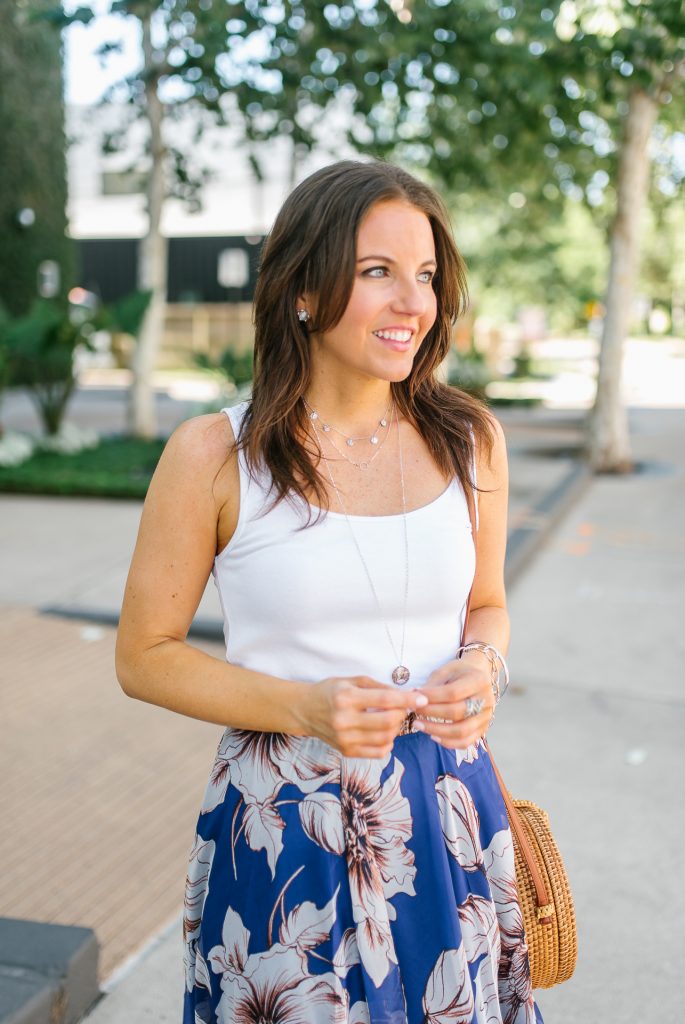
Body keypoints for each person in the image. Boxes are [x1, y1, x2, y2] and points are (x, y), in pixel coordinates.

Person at [115, 160, 544, 1024]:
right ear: (304, 290)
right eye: (376, 272)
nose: (411, 303)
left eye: (423, 276)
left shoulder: (470, 442)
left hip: (444, 811)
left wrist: (483, 663)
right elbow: (142, 658)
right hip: (283, 829)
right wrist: (303, 707)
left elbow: (486, 603)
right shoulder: (215, 456)